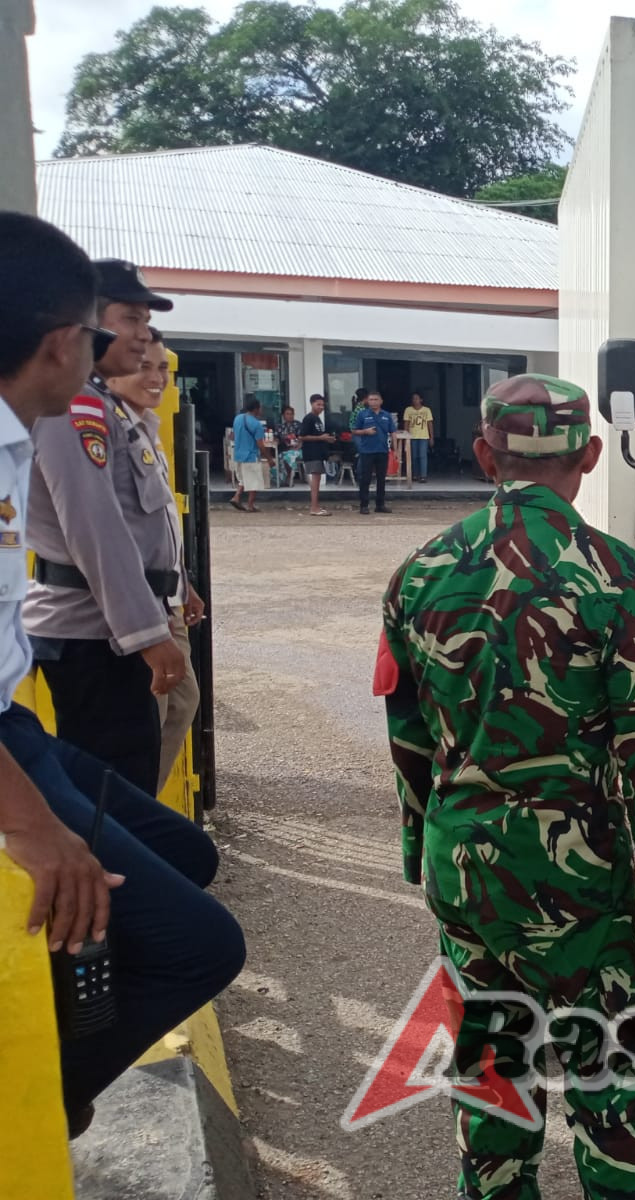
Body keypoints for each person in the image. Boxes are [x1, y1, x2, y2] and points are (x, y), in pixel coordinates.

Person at [379, 375, 635, 1200]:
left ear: (485, 454)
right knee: (615, 1077)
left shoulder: (418, 575)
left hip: (465, 867)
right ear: (590, 456)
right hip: (577, 879)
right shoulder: (617, 575)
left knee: (493, 1058)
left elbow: (409, 743)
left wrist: (427, 856)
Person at [0, 212, 244, 1139]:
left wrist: (167, 599)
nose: (140, 342)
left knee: (186, 854)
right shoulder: (56, 426)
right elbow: (98, 542)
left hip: (22, 730)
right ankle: (38, 1098)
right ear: (67, 343)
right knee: (197, 945)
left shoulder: (38, 426)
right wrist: (33, 829)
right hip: (41, 708)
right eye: (118, 328)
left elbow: (141, 533)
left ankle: (63, 1039)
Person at [24, 258, 189, 798]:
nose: (144, 335)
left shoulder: (101, 404)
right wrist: (147, 633)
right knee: (113, 799)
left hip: (105, 631)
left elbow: (142, 522)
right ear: (85, 320)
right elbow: (95, 528)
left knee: (125, 787)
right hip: (93, 637)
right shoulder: (75, 407)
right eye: (131, 318)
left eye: (146, 321)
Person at [103, 329, 205, 792]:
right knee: (148, 720)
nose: (157, 377)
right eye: (144, 365)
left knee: (183, 703)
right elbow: (106, 538)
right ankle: (128, 824)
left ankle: (138, 812)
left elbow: (159, 524)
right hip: (139, 605)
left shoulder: (146, 428)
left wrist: (184, 583)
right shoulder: (104, 432)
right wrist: (145, 624)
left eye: (162, 368)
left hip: (167, 597)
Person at [351, 389, 396, 514]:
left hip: (382, 450)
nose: (373, 402)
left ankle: (380, 505)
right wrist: (365, 432)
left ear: (381, 401)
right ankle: (364, 505)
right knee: (365, 478)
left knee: (381, 479)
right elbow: (354, 431)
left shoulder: (386, 415)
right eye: (371, 399)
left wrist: (395, 449)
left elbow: (393, 432)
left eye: (376, 399)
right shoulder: (362, 414)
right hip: (367, 451)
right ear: (367, 401)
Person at [298, 394, 335, 515]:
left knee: (317, 479)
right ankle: (314, 508)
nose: (321, 407)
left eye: (322, 405)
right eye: (318, 404)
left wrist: (326, 439)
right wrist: (320, 437)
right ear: (312, 404)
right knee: (315, 480)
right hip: (312, 453)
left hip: (318, 452)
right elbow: (302, 436)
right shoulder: (309, 418)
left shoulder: (318, 419)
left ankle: (316, 506)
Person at [230, 397, 267, 512]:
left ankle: (236, 497)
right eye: (260, 408)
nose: (261, 410)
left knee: (243, 479)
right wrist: (269, 458)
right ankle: (250, 505)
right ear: (256, 409)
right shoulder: (257, 425)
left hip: (238, 454)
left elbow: (232, 435)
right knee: (254, 480)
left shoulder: (238, 418)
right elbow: (261, 444)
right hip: (251, 455)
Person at [403, 391, 434, 481]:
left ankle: (423, 476)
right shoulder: (408, 410)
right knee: (413, 456)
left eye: (417, 398)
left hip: (424, 436)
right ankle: (415, 475)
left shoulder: (426, 410)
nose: (415, 400)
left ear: (421, 399)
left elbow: (430, 424)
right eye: (413, 398)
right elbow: (406, 424)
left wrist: (431, 437)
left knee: (423, 455)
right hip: (412, 437)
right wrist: (406, 436)